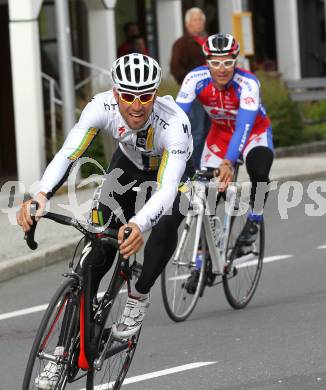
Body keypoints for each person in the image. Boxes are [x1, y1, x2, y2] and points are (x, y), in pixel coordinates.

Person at [17, 53, 193, 389]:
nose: (137, 106)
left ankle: (139, 296)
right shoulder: (101, 107)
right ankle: (60, 354)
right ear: (115, 94)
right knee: (97, 253)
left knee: (170, 217)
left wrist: (140, 223)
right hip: (127, 167)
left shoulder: (174, 124)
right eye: (128, 96)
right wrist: (41, 195)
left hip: (171, 174)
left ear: (155, 94)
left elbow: (167, 189)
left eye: (145, 96)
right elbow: (70, 154)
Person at [176, 33, 274, 246]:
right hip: (219, 135)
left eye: (228, 62)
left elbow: (243, 126)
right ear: (207, 62)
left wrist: (228, 162)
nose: (221, 69)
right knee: (206, 197)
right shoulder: (194, 79)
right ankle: (202, 262)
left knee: (259, 172)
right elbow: (177, 119)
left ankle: (254, 220)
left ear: (235, 62)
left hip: (253, 133)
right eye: (215, 62)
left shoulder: (247, 83)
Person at [170, 7, 210, 170]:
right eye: (195, 20)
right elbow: (176, 68)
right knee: (197, 133)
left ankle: (208, 167)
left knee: (211, 133)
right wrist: (192, 81)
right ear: (187, 23)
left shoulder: (211, 41)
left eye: (200, 19)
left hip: (214, 94)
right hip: (195, 96)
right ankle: (194, 169)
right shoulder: (181, 44)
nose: (198, 23)